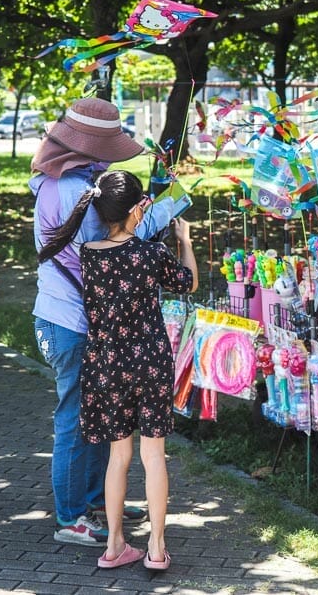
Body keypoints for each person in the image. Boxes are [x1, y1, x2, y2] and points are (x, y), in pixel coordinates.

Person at [31, 97, 177, 547]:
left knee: (96, 414)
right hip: (71, 322)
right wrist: (162, 210)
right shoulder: (79, 192)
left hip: (65, 317)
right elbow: (115, 253)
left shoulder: (61, 179)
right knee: (75, 420)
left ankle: (97, 501)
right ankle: (72, 517)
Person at [39, 169, 197, 570]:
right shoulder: (150, 254)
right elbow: (187, 282)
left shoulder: (89, 253)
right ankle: (156, 548)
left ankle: (114, 545)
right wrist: (185, 241)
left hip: (106, 364)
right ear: (135, 209)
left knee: (117, 457)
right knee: (154, 456)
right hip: (150, 362)